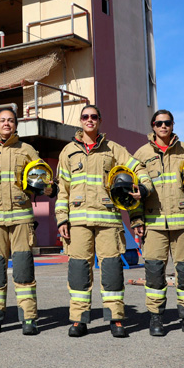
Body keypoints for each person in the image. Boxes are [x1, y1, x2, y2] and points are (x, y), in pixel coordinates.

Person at [55, 104, 153, 338]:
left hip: (108, 220)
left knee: (111, 271)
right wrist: (62, 220)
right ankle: (79, 320)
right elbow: (62, 191)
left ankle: (115, 318)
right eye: (86, 116)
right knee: (78, 271)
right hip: (78, 223)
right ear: (80, 121)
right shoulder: (68, 151)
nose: (90, 120)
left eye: (94, 117)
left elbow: (137, 167)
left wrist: (144, 187)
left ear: (100, 120)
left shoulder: (113, 149)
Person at [132, 109, 184, 337]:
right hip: (154, 222)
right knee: (154, 273)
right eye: (159, 123)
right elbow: (134, 191)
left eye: (167, 122)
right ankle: (156, 318)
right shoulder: (140, 154)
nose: (163, 126)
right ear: (152, 125)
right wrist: (136, 219)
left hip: (182, 223)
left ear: (172, 125)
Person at [0, 108, 46, 336]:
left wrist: (47, 186)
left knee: (23, 271)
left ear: (16, 125)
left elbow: (43, 178)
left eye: (10, 120)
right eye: (2, 120)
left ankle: (29, 318)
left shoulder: (28, 151)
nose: (6, 124)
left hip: (22, 221)